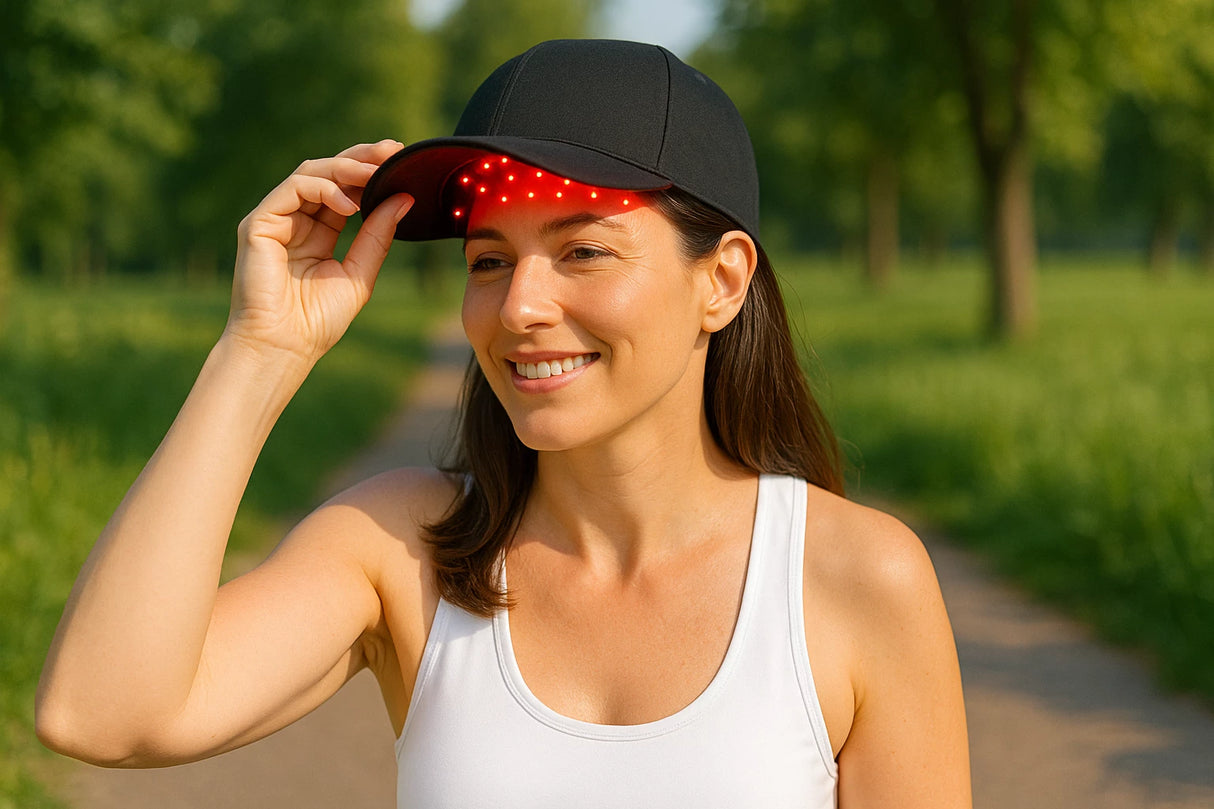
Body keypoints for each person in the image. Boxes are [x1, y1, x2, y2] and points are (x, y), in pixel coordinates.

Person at [36, 39, 971, 807]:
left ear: (721, 279)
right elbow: (99, 712)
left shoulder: (855, 580)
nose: (519, 305)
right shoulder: (407, 551)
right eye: (489, 261)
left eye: (584, 251)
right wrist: (259, 354)